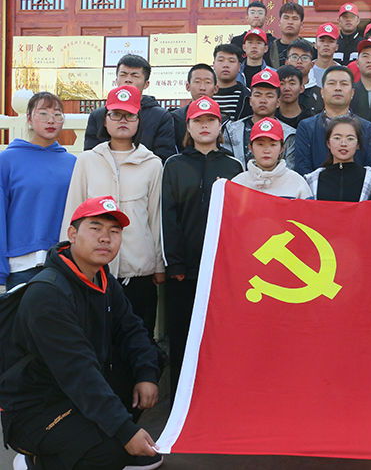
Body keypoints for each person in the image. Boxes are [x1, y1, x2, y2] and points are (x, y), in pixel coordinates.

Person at [1, 196, 162, 470]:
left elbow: (132, 330)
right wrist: (125, 431)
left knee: (146, 360)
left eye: (114, 231)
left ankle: (95, 435)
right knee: (111, 453)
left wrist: (147, 374)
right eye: (95, 228)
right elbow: (78, 370)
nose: (105, 238)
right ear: (72, 234)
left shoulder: (103, 279)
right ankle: (34, 460)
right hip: (34, 408)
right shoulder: (48, 294)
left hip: (74, 393)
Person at [62, 85, 164, 342]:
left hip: (137, 271)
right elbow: (73, 210)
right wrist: (66, 259)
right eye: (116, 114)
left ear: (139, 120)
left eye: (130, 115)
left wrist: (158, 265)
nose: (123, 121)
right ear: (105, 120)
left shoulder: (152, 164)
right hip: (92, 270)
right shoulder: (87, 160)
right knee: (93, 339)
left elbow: (155, 217)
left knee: (137, 338)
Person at [162, 96, 243, 401]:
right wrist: (175, 264)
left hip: (221, 270)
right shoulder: (174, 165)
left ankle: (216, 398)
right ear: (188, 126)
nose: (205, 126)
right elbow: (167, 216)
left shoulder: (233, 166)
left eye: (211, 120)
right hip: (184, 271)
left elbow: (239, 219)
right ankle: (180, 402)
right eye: (198, 121)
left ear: (220, 126)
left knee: (219, 335)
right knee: (182, 336)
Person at [0, 92, 75, 290]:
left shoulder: (73, 164)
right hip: (20, 263)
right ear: (29, 118)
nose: (51, 120)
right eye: (43, 113)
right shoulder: (7, 161)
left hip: (63, 262)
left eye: (57, 114)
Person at [84, 54, 175, 162]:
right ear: (116, 80)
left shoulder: (160, 116)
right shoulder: (99, 115)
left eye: (135, 76)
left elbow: (163, 158)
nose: (128, 80)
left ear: (146, 84)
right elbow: (90, 157)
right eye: (123, 75)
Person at [294, 66, 371, 176]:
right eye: (332, 83)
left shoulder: (366, 128)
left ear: (352, 93)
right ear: (322, 92)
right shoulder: (306, 127)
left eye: (344, 84)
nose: (338, 88)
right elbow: (302, 168)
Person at [222, 69, 296, 169]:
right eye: (257, 95)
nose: (263, 100)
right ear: (250, 100)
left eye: (269, 96)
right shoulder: (232, 131)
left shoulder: (289, 134)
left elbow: (289, 169)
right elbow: (226, 166)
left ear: (278, 102)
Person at [305, 116, 371, 202]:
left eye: (350, 139)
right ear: (328, 143)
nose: (343, 144)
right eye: (337, 138)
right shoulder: (313, 180)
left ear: (358, 144)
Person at [231, 117, 312, 198]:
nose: (266, 150)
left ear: (282, 148)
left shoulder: (297, 183)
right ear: (250, 148)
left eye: (273, 144)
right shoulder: (238, 183)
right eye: (260, 144)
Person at [171, 64, 219, 152]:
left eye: (208, 82)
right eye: (197, 82)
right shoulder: (175, 118)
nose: (202, 88)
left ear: (216, 88)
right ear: (188, 86)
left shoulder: (224, 118)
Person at [212, 43, 252, 122]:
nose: (225, 65)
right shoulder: (205, 94)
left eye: (231, 61)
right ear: (214, 65)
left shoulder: (247, 96)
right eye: (221, 60)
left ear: (239, 67)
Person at [286, 38, 324, 114]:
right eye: (294, 57)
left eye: (305, 58)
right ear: (286, 63)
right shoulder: (280, 90)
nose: (299, 61)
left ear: (312, 64)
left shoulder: (321, 94)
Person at [266, 2, 303, 69]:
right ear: (279, 22)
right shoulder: (269, 49)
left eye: (295, 19)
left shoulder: (310, 48)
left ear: (301, 24)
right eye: (286, 18)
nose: (290, 22)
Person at [276, 64, 314, 129]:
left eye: (292, 83)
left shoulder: (311, 120)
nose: (287, 88)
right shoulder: (270, 117)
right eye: (282, 83)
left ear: (301, 88)